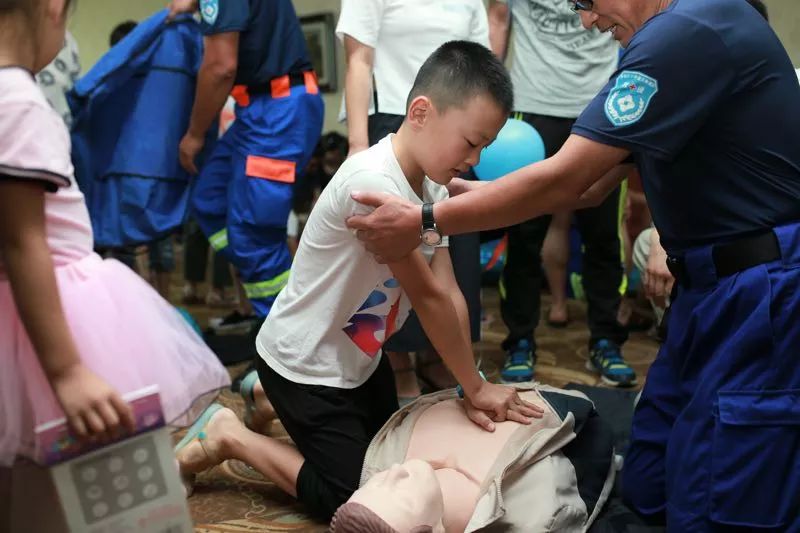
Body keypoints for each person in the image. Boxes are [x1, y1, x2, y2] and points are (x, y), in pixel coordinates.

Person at [347, 0, 800, 528]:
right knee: (650, 480)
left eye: (585, 2)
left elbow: (566, 177)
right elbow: (589, 184)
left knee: (720, 504)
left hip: (763, 290)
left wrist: (428, 219)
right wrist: (479, 194)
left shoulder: (688, 31)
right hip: (705, 291)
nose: (585, 20)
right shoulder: (668, 38)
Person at [175, 41, 542, 521]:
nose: (474, 160)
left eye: (484, 147)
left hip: (359, 359)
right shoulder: (371, 187)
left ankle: (262, 396)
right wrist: (474, 387)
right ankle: (228, 434)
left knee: (388, 465)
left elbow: (448, 288)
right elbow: (428, 298)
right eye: (471, 143)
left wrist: (468, 377)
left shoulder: (431, 185)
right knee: (355, 496)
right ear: (421, 112)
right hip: (302, 365)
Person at [0, 0, 230, 469]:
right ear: (53, 8)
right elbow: (25, 240)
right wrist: (67, 372)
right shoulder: (18, 100)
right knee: (92, 465)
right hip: (59, 313)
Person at [338, 0, 490, 402]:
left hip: (454, 128)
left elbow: (480, 67)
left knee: (451, 250)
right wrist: (357, 147)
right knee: (395, 262)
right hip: (394, 118)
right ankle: (399, 366)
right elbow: (358, 60)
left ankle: (442, 359)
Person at [488, 0, 634, 387]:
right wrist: (487, 96)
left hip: (603, 103)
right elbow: (498, 20)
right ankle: (519, 341)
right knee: (523, 234)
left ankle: (606, 339)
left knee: (603, 236)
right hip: (531, 106)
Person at [170, 0, 324, 321]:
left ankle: (288, 346)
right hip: (260, 109)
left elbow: (220, 67)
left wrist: (195, 134)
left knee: (254, 238)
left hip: (277, 113)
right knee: (210, 199)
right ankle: (268, 276)